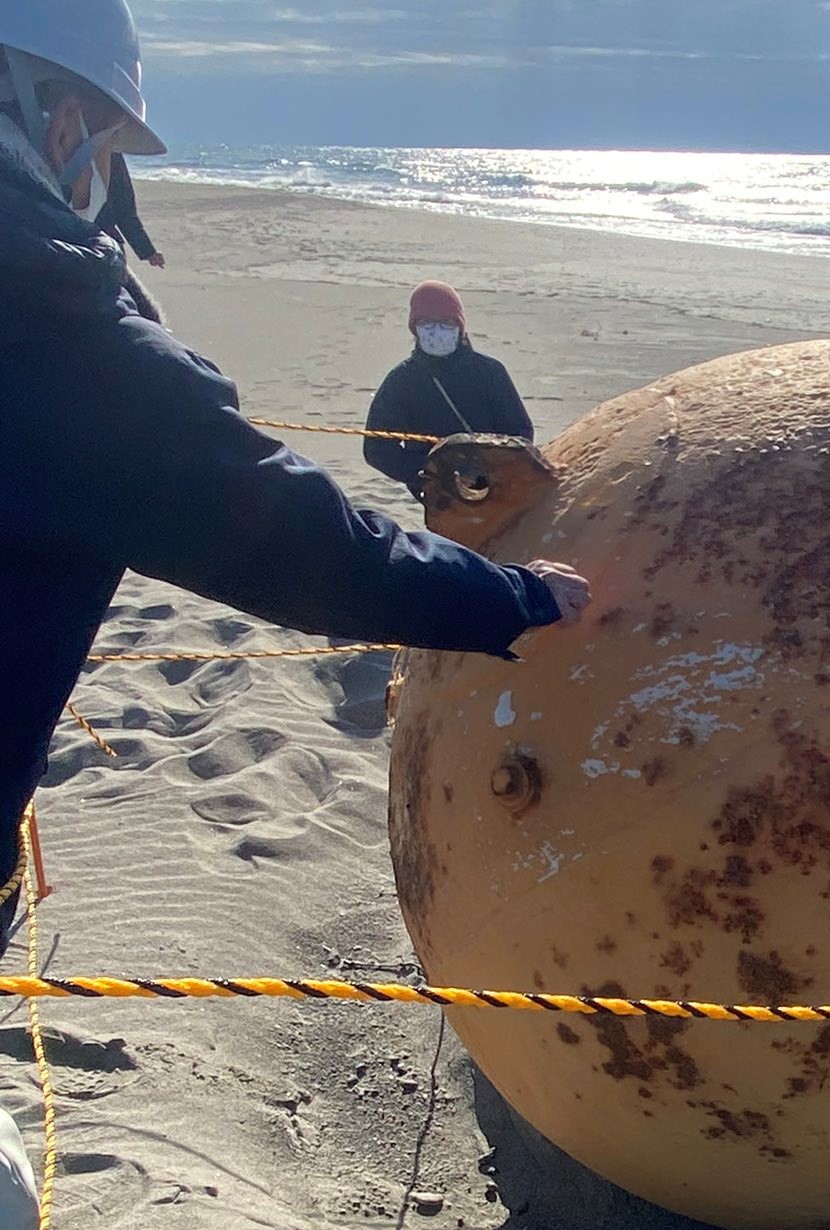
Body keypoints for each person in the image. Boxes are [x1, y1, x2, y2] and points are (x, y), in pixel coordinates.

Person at [0, 7, 591, 1220]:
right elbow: (282, 532)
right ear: (64, 120)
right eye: (104, 144)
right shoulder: (53, 335)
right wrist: (517, 601)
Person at [364, 281, 535, 498]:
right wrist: (433, 474)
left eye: (446, 322)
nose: (437, 331)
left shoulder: (490, 372)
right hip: (440, 498)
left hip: (496, 488)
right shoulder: (402, 380)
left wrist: (488, 471)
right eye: (427, 322)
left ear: (460, 326)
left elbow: (520, 432)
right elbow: (376, 448)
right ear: (415, 328)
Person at [96, 150, 164, 267]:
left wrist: (147, 251)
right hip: (100, 241)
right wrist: (148, 251)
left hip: (67, 239)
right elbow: (124, 208)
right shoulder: (110, 153)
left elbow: (124, 208)